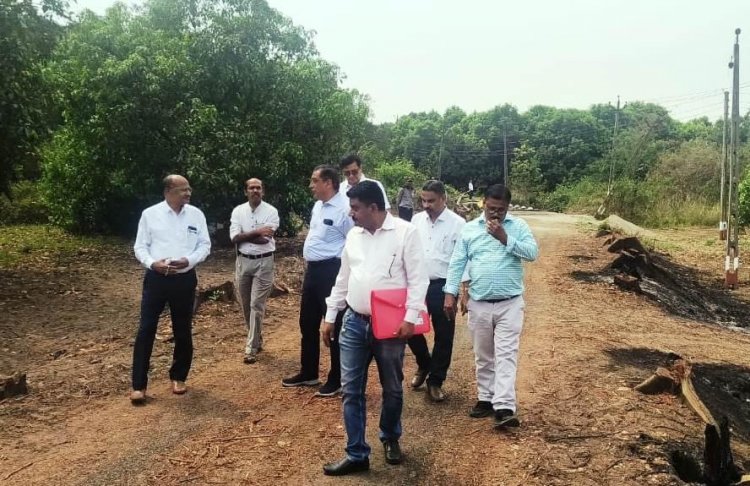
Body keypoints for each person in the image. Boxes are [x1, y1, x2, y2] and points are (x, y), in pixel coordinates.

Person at [321, 181, 428, 476]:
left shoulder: (406, 233)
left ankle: (390, 436)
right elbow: (343, 277)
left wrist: (410, 316)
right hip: (354, 322)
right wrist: (331, 315)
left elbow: (419, 279)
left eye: (355, 208)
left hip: (392, 326)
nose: (351, 214)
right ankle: (356, 453)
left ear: (373, 207)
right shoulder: (353, 236)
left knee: (392, 387)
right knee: (351, 390)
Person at [443, 184, 538, 429]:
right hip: (479, 302)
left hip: (510, 303)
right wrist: (450, 293)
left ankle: (504, 406)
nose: (496, 214)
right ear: (483, 203)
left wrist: (505, 238)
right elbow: (457, 262)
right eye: (492, 208)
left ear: (508, 208)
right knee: (483, 354)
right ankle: (486, 398)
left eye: (501, 210)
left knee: (506, 354)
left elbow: (532, 253)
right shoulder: (469, 230)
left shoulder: (518, 227)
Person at [131, 174, 211, 404]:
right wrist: (152, 263)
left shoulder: (196, 214)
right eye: (183, 190)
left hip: (184, 279)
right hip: (156, 279)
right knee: (146, 329)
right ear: (168, 191)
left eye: (189, 189)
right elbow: (140, 246)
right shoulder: (150, 214)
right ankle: (138, 385)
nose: (188, 193)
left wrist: (189, 260)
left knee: (182, 329)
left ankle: (178, 376)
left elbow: (205, 244)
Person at [282, 165, 354, 397]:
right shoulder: (318, 206)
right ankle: (309, 372)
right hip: (312, 271)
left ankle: (337, 377)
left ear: (329, 183)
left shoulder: (345, 208)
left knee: (333, 324)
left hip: (332, 270)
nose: (311, 185)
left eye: (315, 181)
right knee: (307, 322)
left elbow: (352, 240)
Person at [406, 180, 465, 402]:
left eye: (431, 201)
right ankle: (424, 363)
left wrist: (455, 291)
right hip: (418, 283)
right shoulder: (415, 221)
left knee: (444, 334)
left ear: (443, 199)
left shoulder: (458, 224)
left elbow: (462, 258)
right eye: (423, 200)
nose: (426, 205)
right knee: (410, 328)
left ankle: (435, 381)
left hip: (444, 285)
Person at [230, 178, 279, 364]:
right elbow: (234, 238)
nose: (255, 190)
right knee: (244, 304)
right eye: (251, 187)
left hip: (264, 262)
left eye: (258, 187)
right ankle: (257, 338)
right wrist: (257, 232)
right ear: (246, 191)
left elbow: (266, 239)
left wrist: (245, 236)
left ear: (263, 191)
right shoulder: (238, 211)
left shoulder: (271, 211)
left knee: (256, 304)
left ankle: (250, 347)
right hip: (243, 262)